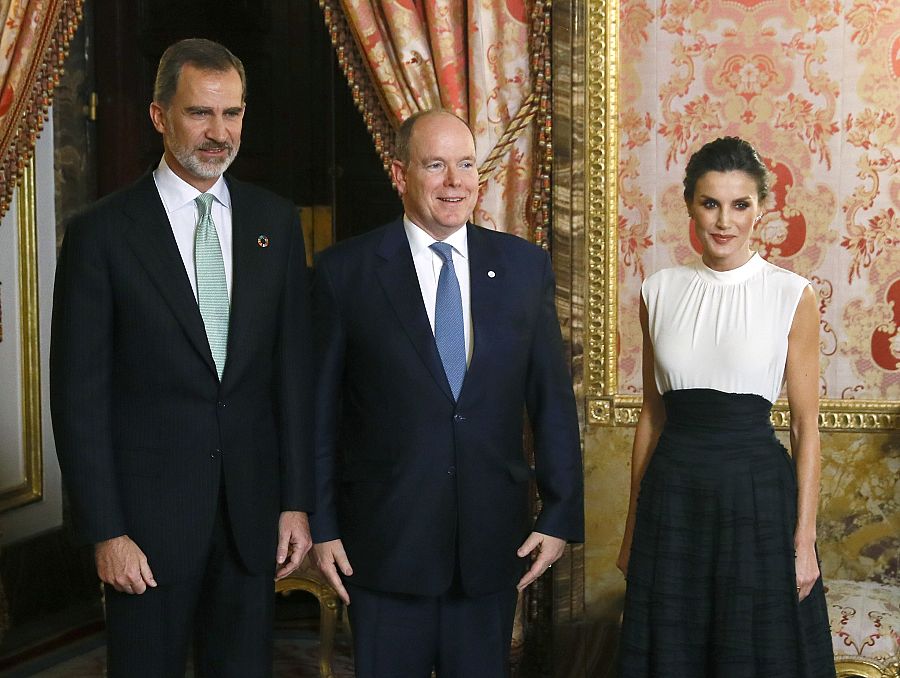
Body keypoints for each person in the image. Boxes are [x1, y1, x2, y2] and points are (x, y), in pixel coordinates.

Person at [49, 38, 314, 677]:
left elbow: (293, 377)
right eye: (200, 113)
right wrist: (106, 532)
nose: (219, 133)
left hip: (251, 519)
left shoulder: (274, 222)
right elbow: (77, 399)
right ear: (158, 115)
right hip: (145, 528)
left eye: (233, 114)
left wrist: (295, 501)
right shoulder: (101, 234)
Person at [310, 109, 584, 677]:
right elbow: (318, 414)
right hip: (383, 544)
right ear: (399, 173)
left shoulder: (523, 267)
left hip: (491, 545)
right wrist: (322, 524)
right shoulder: (345, 273)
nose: (455, 182)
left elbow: (552, 401)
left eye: (465, 164)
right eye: (435, 166)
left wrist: (560, 513)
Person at [616, 136, 836, 677]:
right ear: (689, 203)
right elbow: (652, 415)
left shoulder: (792, 294)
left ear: (761, 209)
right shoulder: (658, 291)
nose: (724, 221)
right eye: (710, 203)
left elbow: (806, 427)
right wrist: (631, 531)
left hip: (757, 499)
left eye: (740, 205)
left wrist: (804, 541)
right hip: (674, 497)